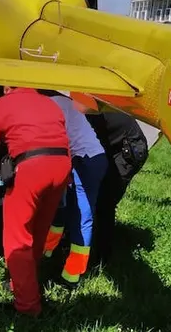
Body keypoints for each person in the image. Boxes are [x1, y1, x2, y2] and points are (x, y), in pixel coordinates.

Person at [0, 87, 71, 317]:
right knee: (39, 230)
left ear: (6, 88)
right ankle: (21, 283)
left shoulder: (2, 105)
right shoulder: (50, 104)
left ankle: (27, 307)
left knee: (17, 237)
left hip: (31, 167)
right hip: (62, 166)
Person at [40, 91, 108, 288]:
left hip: (87, 160)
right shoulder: (59, 101)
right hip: (82, 158)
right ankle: (48, 251)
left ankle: (72, 275)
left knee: (81, 216)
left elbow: (58, 141)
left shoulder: (52, 105)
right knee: (61, 208)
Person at [85, 110, 149, 267]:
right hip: (116, 145)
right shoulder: (86, 111)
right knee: (98, 196)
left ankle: (102, 258)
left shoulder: (89, 117)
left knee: (105, 202)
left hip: (129, 151)